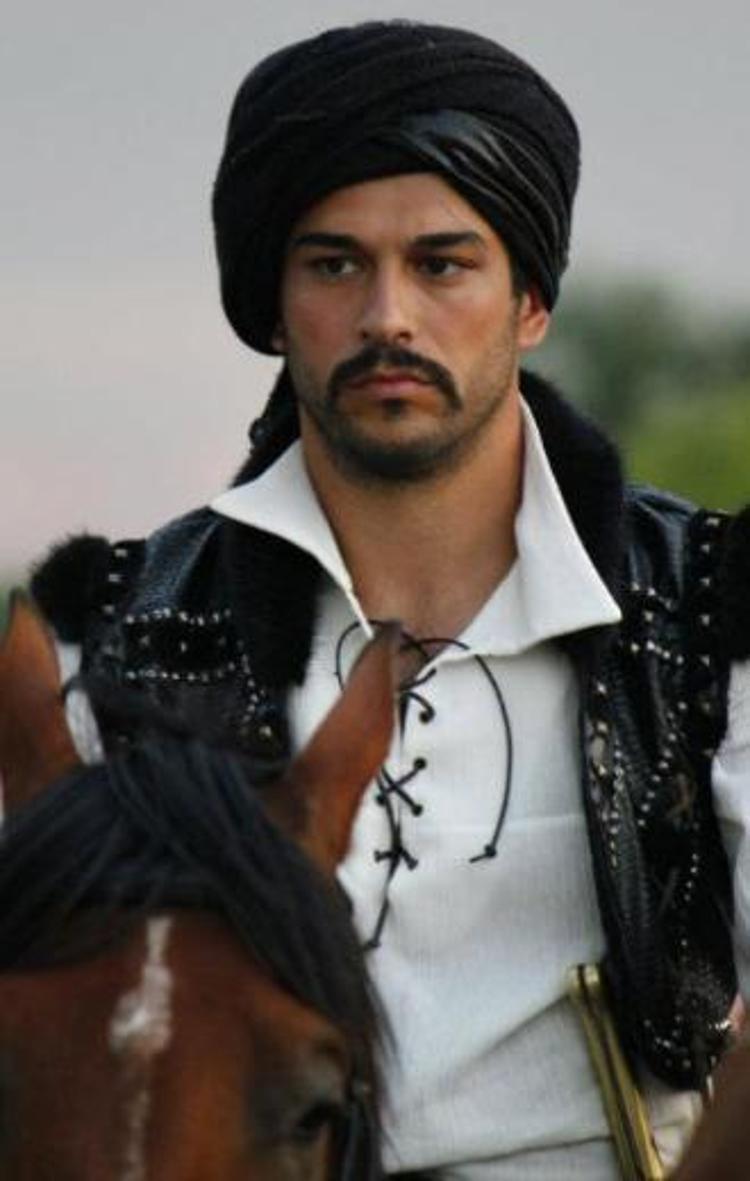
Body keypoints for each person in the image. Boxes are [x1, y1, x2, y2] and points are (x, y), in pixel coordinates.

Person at [30, 20, 750, 1180]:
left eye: (442, 264)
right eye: (334, 265)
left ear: (530, 301)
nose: (387, 320)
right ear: (274, 307)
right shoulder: (111, 635)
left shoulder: (711, 612)